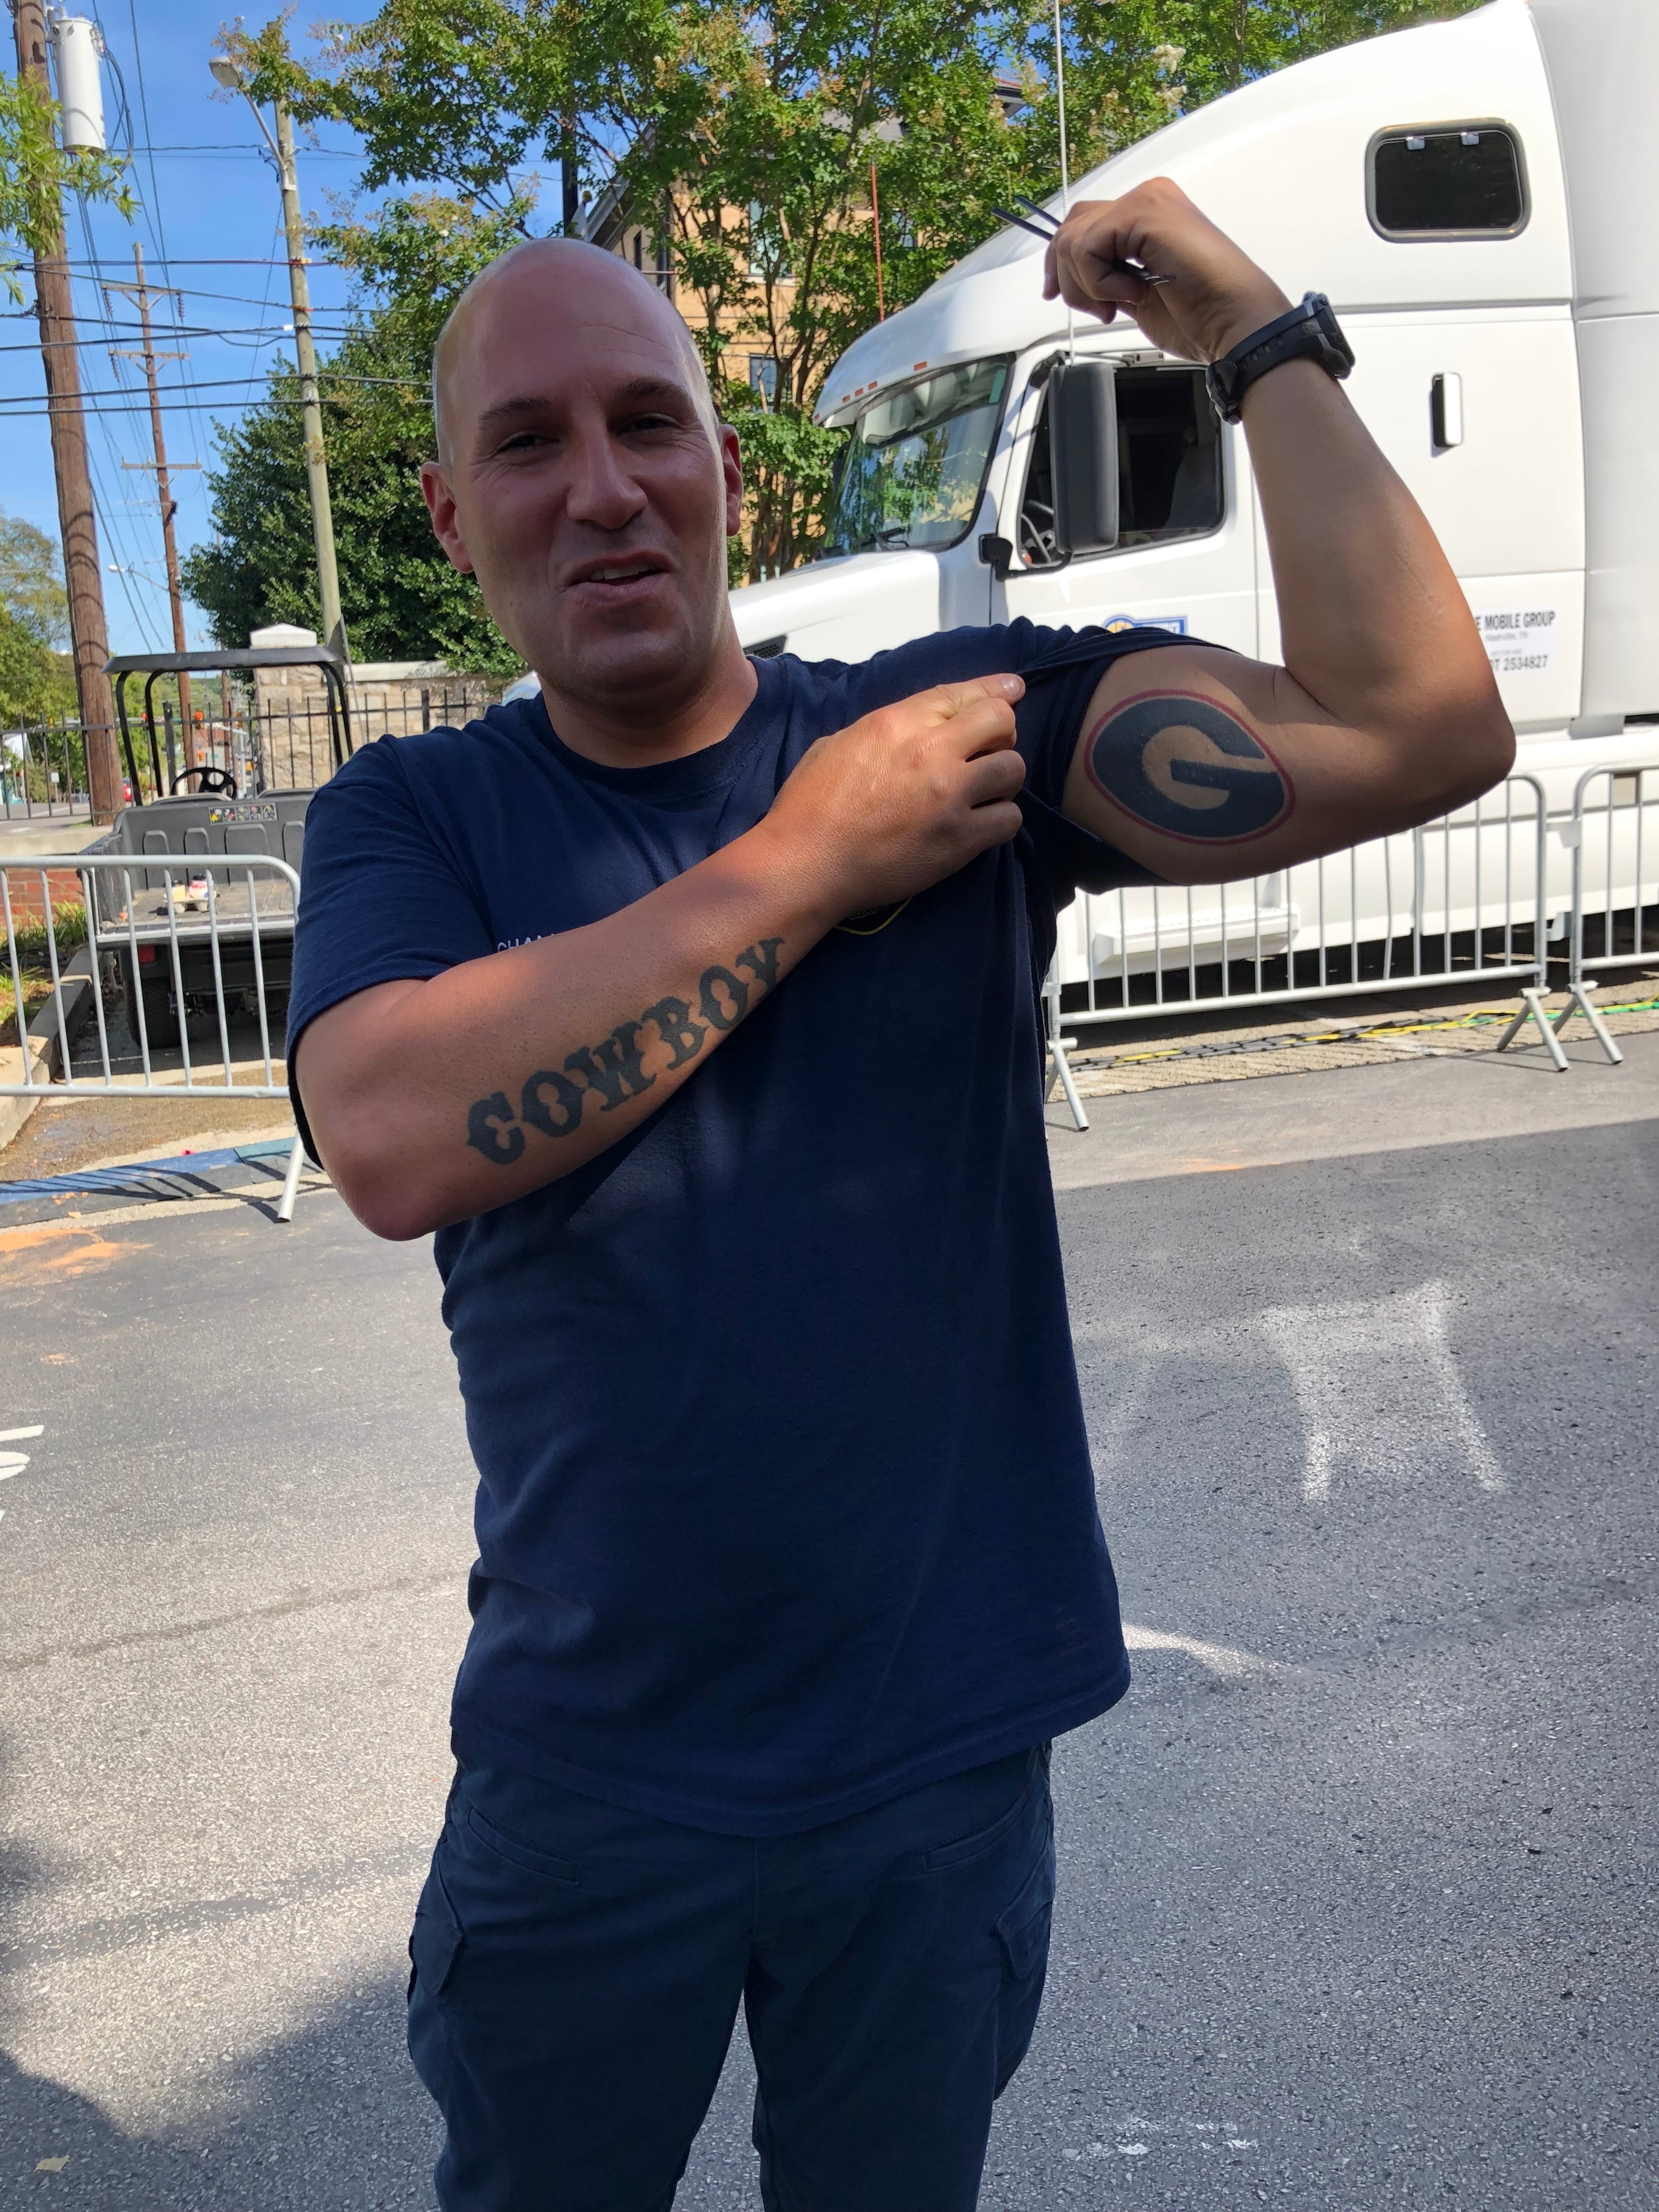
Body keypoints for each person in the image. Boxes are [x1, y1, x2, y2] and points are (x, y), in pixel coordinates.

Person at [287, 180, 1512, 2212]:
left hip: (932, 1769)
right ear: (448, 517)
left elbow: (1420, 726)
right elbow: (395, 1137)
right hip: (592, 1774)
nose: (600, 486)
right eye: (528, 442)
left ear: (728, 473)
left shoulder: (959, 735)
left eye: (646, 422)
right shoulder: (421, 813)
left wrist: (1251, 334)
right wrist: (803, 865)